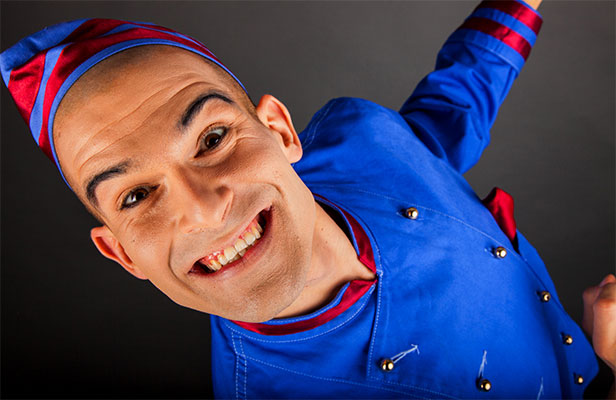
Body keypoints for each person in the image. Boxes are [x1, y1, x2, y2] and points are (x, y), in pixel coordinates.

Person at [1, 0, 614, 398]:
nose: (204, 209)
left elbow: (434, 126)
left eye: (212, 139)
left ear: (279, 130)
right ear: (122, 254)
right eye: (136, 195)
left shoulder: (354, 138)